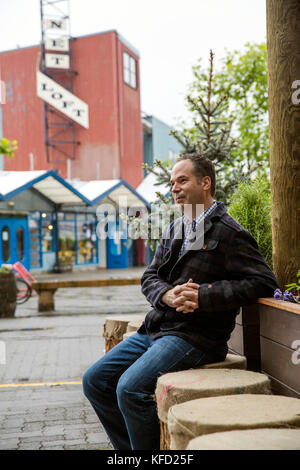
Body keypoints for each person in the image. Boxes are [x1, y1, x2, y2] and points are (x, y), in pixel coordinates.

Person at [82, 153, 279, 450]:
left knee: (129, 389)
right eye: (173, 182)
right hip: (157, 328)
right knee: (94, 381)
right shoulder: (176, 227)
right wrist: (165, 294)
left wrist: (203, 295)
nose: (174, 188)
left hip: (195, 338)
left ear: (206, 183)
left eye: (182, 180)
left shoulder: (230, 231)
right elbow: (149, 276)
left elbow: (265, 283)